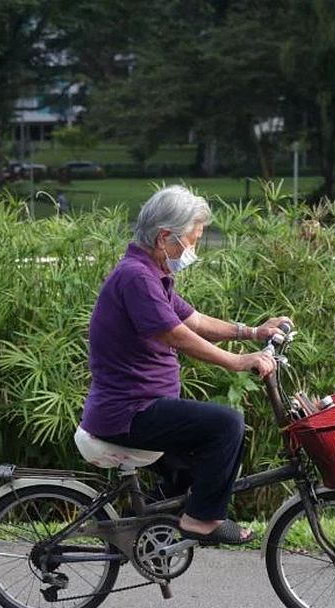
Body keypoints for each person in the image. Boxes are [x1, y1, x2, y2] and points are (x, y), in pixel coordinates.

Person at [79, 185, 291, 545]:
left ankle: (157, 532)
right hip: (130, 412)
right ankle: (201, 520)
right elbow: (175, 334)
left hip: (142, 407)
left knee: (201, 459)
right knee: (228, 425)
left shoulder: (151, 273)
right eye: (191, 241)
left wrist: (254, 332)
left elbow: (194, 320)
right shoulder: (136, 277)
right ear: (165, 237)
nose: (192, 250)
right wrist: (238, 362)